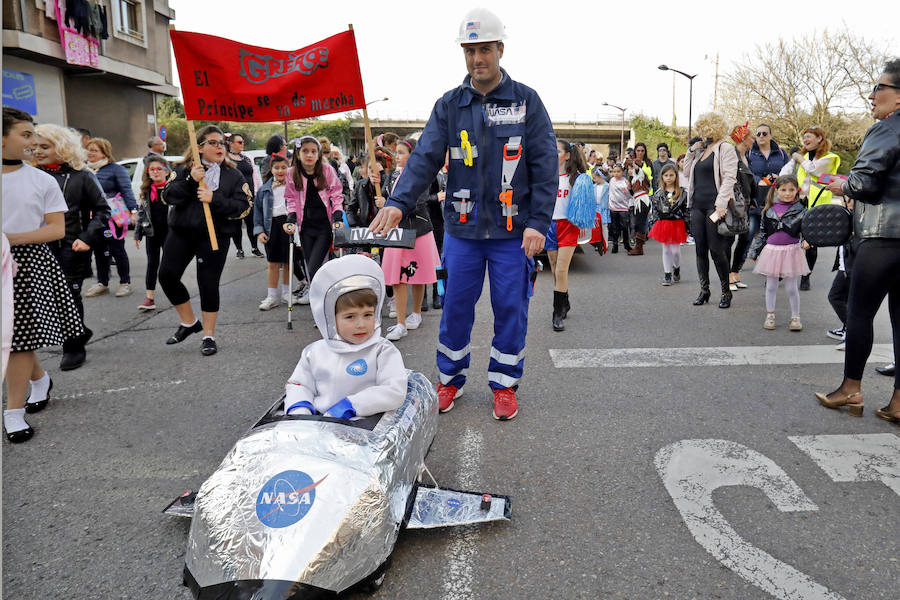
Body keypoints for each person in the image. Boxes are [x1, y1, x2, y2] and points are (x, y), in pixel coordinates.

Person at [368, 8, 557, 420]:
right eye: (470, 51)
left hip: (512, 233)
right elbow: (424, 159)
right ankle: (449, 379)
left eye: (485, 49)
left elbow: (545, 165)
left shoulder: (527, 101)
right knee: (455, 308)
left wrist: (539, 222)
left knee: (511, 309)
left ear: (500, 49)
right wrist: (399, 202)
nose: (477, 59)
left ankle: (505, 384)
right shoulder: (450, 105)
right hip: (463, 230)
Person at [817, 58, 900, 424]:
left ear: (898, 97)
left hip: (881, 236)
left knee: (859, 311)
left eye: (878, 88)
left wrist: (842, 184)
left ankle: (851, 387)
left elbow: (865, 184)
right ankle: (898, 402)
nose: (871, 95)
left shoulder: (884, 129)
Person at [2, 107, 84, 442]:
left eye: (34, 134)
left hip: (27, 264)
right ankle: (39, 380)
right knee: (11, 339)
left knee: (17, 341)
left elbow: (55, 230)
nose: (34, 142)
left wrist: (9, 240)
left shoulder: (41, 180)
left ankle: (13, 412)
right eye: (25, 135)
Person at [158, 125, 252, 356]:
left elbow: (245, 207)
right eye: (213, 142)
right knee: (167, 276)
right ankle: (189, 323)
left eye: (222, 143)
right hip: (181, 232)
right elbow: (167, 196)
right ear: (198, 147)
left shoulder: (234, 174)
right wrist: (191, 180)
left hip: (214, 236)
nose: (220, 146)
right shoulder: (182, 169)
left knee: (207, 283)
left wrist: (215, 198)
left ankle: (208, 335)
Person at [283, 255, 406, 417]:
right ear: (330, 319)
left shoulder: (382, 350)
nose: (361, 324)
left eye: (368, 315)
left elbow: (394, 390)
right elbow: (299, 385)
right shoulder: (314, 352)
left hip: (363, 425)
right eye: (350, 317)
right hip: (318, 422)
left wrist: (351, 406)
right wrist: (300, 411)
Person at [32, 124, 108, 370]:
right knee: (49, 298)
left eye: (45, 146)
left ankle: (74, 346)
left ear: (62, 148)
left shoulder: (82, 175)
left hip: (72, 246)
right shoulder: (28, 175)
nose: (38, 151)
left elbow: (103, 210)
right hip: (37, 246)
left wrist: (87, 237)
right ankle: (80, 330)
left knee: (69, 297)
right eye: (35, 146)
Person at [377, 138, 440, 341]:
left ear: (412, 155)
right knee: (398, 277)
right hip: (396, 231)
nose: (397, 156)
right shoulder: (392, 175)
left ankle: (416, 314)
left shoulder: (422, 176)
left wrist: (390, 204)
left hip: (418, 229)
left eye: (402, 153)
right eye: (397, 153)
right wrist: (379, 195)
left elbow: (418, 201)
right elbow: (387, 198)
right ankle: (400, 323)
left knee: (418, 275)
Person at [683, 113, 738, 309]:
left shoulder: (725, 148)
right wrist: (691, 151)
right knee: (700, 250)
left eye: (704, 129)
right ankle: (704, 290)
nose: (702, 133)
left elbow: (730, 177)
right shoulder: (700, 151)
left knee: (716, 250)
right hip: (697, 205)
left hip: (714, 206)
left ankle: (726, 291)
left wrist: (721, 203)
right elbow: (687, 173)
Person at [780, 125, 840, 290]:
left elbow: (813, 170)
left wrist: (799, 157)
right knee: (787, 236)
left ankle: (806, 276)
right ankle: (780, 272)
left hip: (817, 205)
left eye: (809, 136)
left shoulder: (830, 157)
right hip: (798, 202)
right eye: (804, 136)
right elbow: (785, 172)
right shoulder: (803, 156)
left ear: (819, 138)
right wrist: (793, 158)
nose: (805, 140)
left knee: (810, 242)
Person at [284, 135, 344, 300]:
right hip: (305, 227)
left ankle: (324, 297)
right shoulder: (292, 173)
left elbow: (336, 194)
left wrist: (338, 217)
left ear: (318, 154)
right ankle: (321, 299)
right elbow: (290, 199)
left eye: (313, 151)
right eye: (305, 151)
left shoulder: (327, 170)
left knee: (313, 268)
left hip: (324, 227)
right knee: (311, 266)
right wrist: (290, 219)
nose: (309, 155)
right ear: (298, 153)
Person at [748, 175, 809, 331]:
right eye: (783, 190)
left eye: (791, 190)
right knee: (771, 286)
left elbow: (807, 230)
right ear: (776, 190)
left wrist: (808, 240)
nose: (787, 193)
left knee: (791, 287)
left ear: (797, 191)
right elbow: (762, 232)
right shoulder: (768, 210)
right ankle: (770, 315)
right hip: (772, 252)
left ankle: (796, 317)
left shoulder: (801, 210)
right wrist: (755, 251)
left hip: (792, 251)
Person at [84, 137, 138, 298]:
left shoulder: (116, 169)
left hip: (113, 218)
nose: (90, 153)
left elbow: (127, 191)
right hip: (94, 219)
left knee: (117, 249)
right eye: (89, 149)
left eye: (95, 150)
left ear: (104, 153)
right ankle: (103, 282)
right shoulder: (85, 170)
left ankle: (125, 283)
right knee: (99, 251)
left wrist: (134, 211)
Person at [546, 138, 588, 331]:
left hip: (568, 226)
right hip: (549, 225)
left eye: (557, 151)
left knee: (562, 269)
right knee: (554, 268)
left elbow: (584, 206)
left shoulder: (577, 178)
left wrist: (583, 223)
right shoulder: (546, 176)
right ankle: (565, 300)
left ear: (567, 155)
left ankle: (556, 314)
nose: (553, 154)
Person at [253, 154, 294, 310]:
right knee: (273, 263)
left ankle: (286, 292)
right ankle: (272, 295)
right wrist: (259, 231)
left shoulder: (294, 186)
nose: (280, 171)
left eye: (284, 167)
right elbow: (257, 212)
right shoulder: (264, 189)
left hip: (289, 224)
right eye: (276, 168)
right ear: (271, 170)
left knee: (288, 261)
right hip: (272, 227)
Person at [134, 154, 171, 311]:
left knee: (168, 267)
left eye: (159, 169)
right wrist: (137, 234)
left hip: (171, 234)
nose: (155, 172)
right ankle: (149, 298)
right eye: (152, 169)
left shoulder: (172, 189)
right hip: (152, 233)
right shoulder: (147, 190)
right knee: (152, 265)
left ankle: (175, 294)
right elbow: (142, 213)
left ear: (167, 171)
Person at [727, 122, 758, 291]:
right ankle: (728, 277)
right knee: (729, 238)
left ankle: (735, 272)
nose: (754, 140)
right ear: (744, 139)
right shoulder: (731, 155)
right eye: (752, 137)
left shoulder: (749, 157)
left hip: (746, 204)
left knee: (745, 238)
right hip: (733, 203)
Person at [648, 164, 688, 285]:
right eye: (666, 175)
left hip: (677, 223)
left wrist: (688, 225)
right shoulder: (659, 193)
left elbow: (686, 209)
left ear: (676, 176)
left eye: (671, 175)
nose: (669, 178)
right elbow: (654, 208)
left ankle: (676, 267)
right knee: (666, 250)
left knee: (675, 251)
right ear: (662, 177)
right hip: (664, 223)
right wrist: (655, 221)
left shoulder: (682, 192)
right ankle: (667, 274)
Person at [226, 132, 263, 259]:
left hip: (250, 196)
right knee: (236, 224)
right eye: (239, 142)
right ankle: (239, 249)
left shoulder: (247, 158)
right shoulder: (226, 158)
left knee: (252, 223)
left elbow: (255, 176)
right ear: (231, 143)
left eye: (242, 142)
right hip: (234, 197)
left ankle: (254, 247)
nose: (242, 144)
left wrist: (257, 192)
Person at [628, 142, 653, 256]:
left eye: (642, 150)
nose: (640, 153)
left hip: (644, 198)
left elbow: (641, 172)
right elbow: (631, 187)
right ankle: (638, 247)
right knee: (638, 223)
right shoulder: (632, 172)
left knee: (641, 223)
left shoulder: (643, 169)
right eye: (638, 150)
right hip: (636, 198)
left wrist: (635, 166)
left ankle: (639, 247)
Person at [607, 163, 633, 253]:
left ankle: (626, 244)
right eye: (614, 172)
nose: (616, 173)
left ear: (622, 172)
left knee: (625, 227)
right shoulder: (611, 181)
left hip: (623, 208)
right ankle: (615, 245)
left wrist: (628, 189)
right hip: (613, 207)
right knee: (615, 228)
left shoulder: (625, 182)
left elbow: (629, 195)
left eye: (618, 171)